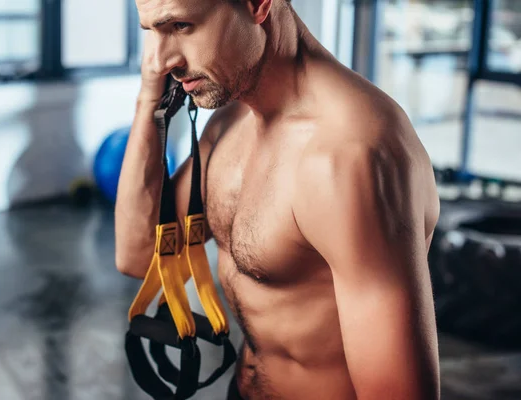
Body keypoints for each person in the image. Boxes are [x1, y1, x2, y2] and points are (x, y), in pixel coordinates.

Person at [115, 0, 441, 399]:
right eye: (152, 31)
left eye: (181, 26)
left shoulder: (349, 155)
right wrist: (149, 99)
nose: (162, 60)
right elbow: (138, 254)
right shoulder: (231, 120)